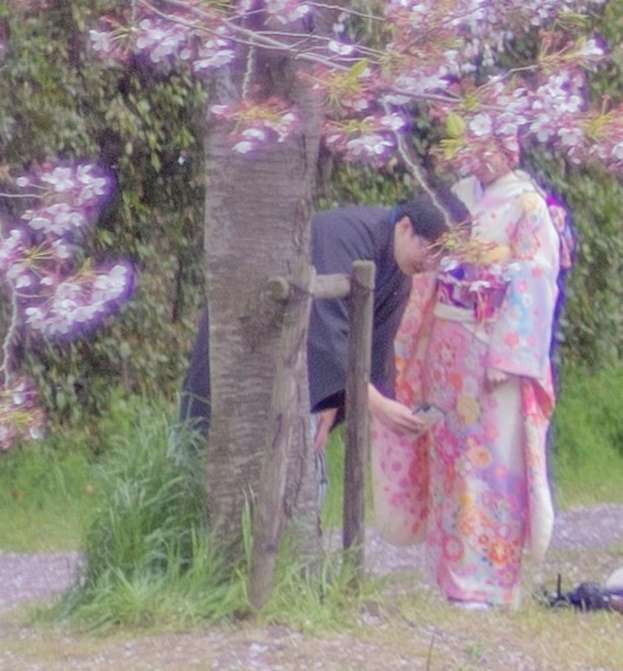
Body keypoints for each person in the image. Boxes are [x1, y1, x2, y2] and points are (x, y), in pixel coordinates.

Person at [369, 166, 571, 609]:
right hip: (446, 345)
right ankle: (449, 573)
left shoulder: (528, 204)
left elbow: (539, 276)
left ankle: (489, 582)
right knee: (447, 461)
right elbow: (426, 272)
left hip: (493, 349)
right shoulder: (458, 194)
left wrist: (511, 352)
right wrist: (409, 340)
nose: (482, 154)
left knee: (492, 465)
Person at [177, 201, 437, 484]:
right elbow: (326, 331)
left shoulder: (401, 273)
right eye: (431, 249)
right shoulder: (345, 235)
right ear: (405, 226)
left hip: (300, 363)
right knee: (207, 446)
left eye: (443, 256)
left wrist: (339, 400)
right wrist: (374, 403)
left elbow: (375, 349)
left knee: (301, 473)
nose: (431, 263)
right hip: (253, 328)